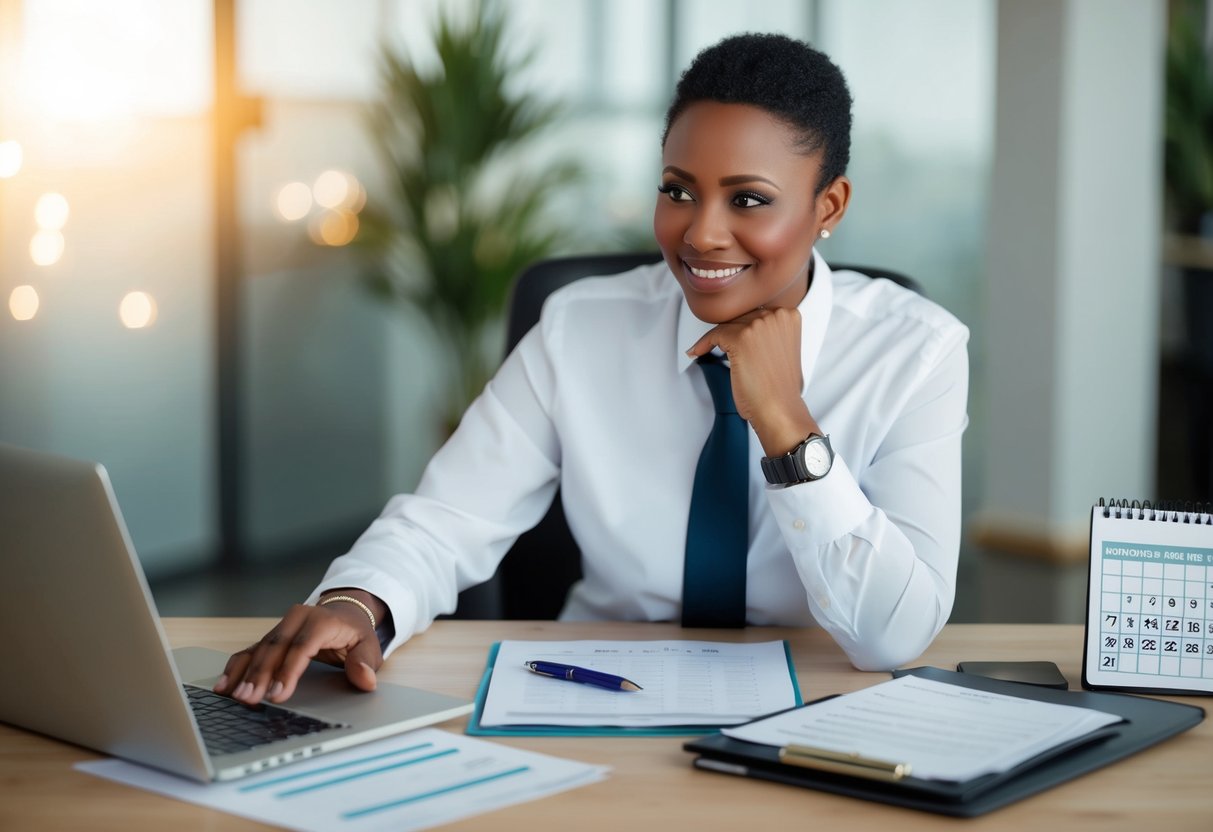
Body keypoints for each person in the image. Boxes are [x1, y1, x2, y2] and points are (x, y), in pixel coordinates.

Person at [215, 32, 969, 707]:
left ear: (828, 204)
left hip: (819, 707)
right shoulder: (580, 325)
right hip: (591, 694)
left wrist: (783, 420)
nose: (700, 233)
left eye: (748, 199)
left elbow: (892, 637)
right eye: (677, 190)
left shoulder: (916, 353)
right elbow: (447, 520)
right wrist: (356, 603)